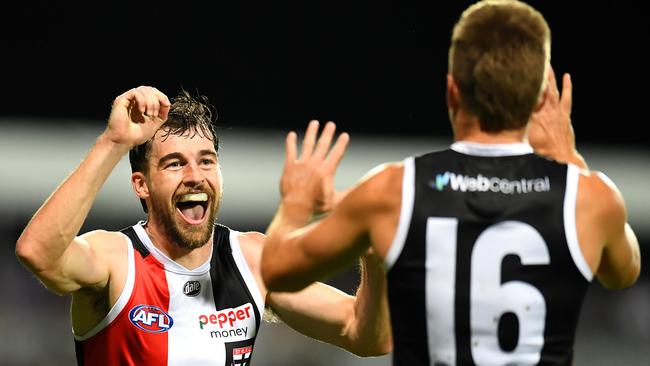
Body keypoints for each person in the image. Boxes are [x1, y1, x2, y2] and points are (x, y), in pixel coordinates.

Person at [260, 0, 641, 365]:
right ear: (537, 99)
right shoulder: (590, 197)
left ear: (452, 91)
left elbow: (276, 271)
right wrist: (570, 161)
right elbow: (624, 273)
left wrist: (296, 203)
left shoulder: (392, 191)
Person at [15, 86, 392, 365]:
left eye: (207, 161)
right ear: (141, 184)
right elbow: (38, 252)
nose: (195, 176)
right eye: (175, 163)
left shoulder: (254, 260)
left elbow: (366, 335)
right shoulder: (117, 258)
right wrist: (114, 142)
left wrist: (372, 249)